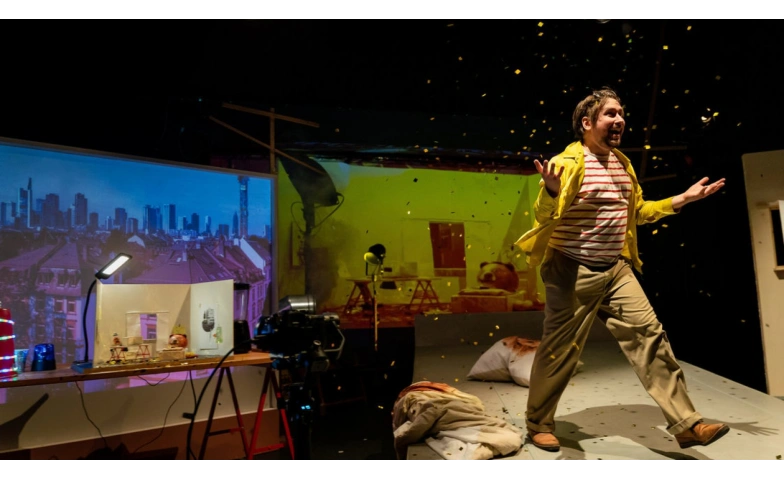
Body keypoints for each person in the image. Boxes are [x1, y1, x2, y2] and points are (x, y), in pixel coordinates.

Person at [515, 87, 728, 452]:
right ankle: (538, 424)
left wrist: (681, 200)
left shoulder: (622, 164)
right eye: (610, 114)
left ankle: (687, 424)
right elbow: (544, 215)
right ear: (587, 123)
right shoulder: (567, 163)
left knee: (650, 336)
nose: (620, 120)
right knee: (560, 350)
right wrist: (549, 191)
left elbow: (638, 212)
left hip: (615, 268)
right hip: (572, 270)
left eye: (621, 114)